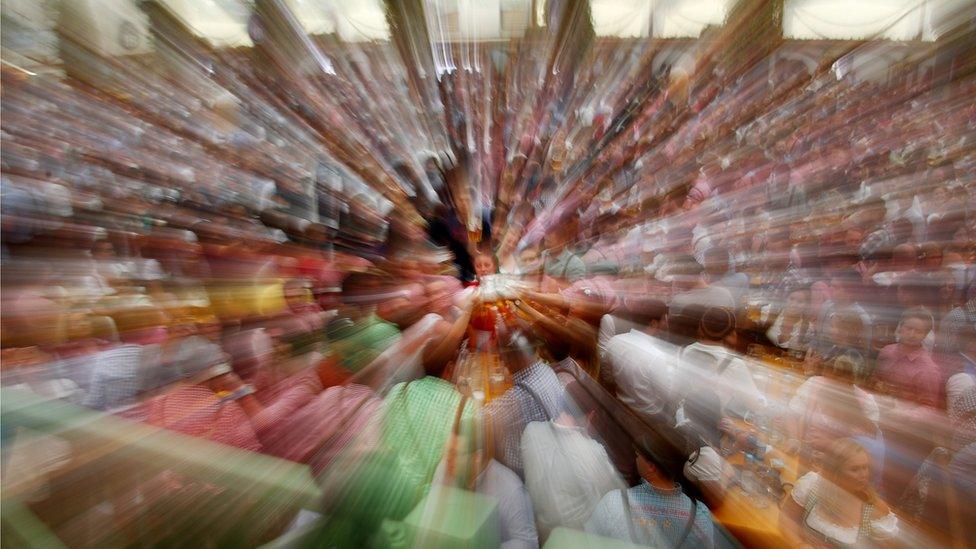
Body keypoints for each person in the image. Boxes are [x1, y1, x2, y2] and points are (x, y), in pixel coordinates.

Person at [584, 446, 717, 548]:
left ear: (651, 467)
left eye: (637, 455)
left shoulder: (613, 501)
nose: (635, 459)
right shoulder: (699, 513)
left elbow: (588, 542)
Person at [521, 414, 625, 540]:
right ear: (592, 415)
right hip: (579, 540)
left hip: (544, 537)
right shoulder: (593, 452)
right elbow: (614, 499)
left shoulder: (531, 430)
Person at [780, 438, 899, 548]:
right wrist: (799, 545)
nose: (864, 475)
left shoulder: (874, 508)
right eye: (855, 469)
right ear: (835, 471)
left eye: (865, 467)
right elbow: (787, 518)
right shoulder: (812, 484)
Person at [786, 355, 883, 479]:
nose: (834, 385)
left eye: (842, 380)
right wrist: (793, 439)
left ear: (853, 382)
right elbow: (792, 413)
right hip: (807, 457)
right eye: (831, 379)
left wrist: (831, 447)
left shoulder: (866, 403)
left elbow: (869, 454)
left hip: (843, 472)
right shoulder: (815, 385)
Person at [674, 307, 764, 420]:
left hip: (686, 416)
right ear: (732, 333)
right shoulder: (735, 363)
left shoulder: (686, 350)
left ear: (701, 327)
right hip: (714, 423)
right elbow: (755, 406)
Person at [876, 307, 942, 408]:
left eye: (918, 331)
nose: (912, 335)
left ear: (925, 335)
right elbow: (877, 379)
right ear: (900, 327)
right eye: (908, 328)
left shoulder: (928, 370)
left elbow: (930, 408)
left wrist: (904, 416)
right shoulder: (886, 351)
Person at [767, 286, 813, 353]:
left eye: (800, 302)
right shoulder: (769, 312)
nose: (794, 304)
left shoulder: (808, 328)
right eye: (791, 299)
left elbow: (802, 354)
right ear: (786, 299)